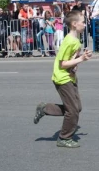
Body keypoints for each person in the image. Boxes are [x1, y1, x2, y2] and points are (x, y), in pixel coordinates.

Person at [32, 10, 93, 148]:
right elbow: (62, 63)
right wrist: (81, 59)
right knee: (72, 111)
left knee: (77, 108)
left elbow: (71, 62)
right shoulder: (70, 41)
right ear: (74, 24)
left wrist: (80, 59)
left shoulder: (75, 40)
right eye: (83, 22)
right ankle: (64, 138)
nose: (85, 24)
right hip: (62, 78)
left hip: (70, 76)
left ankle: (45, 108)